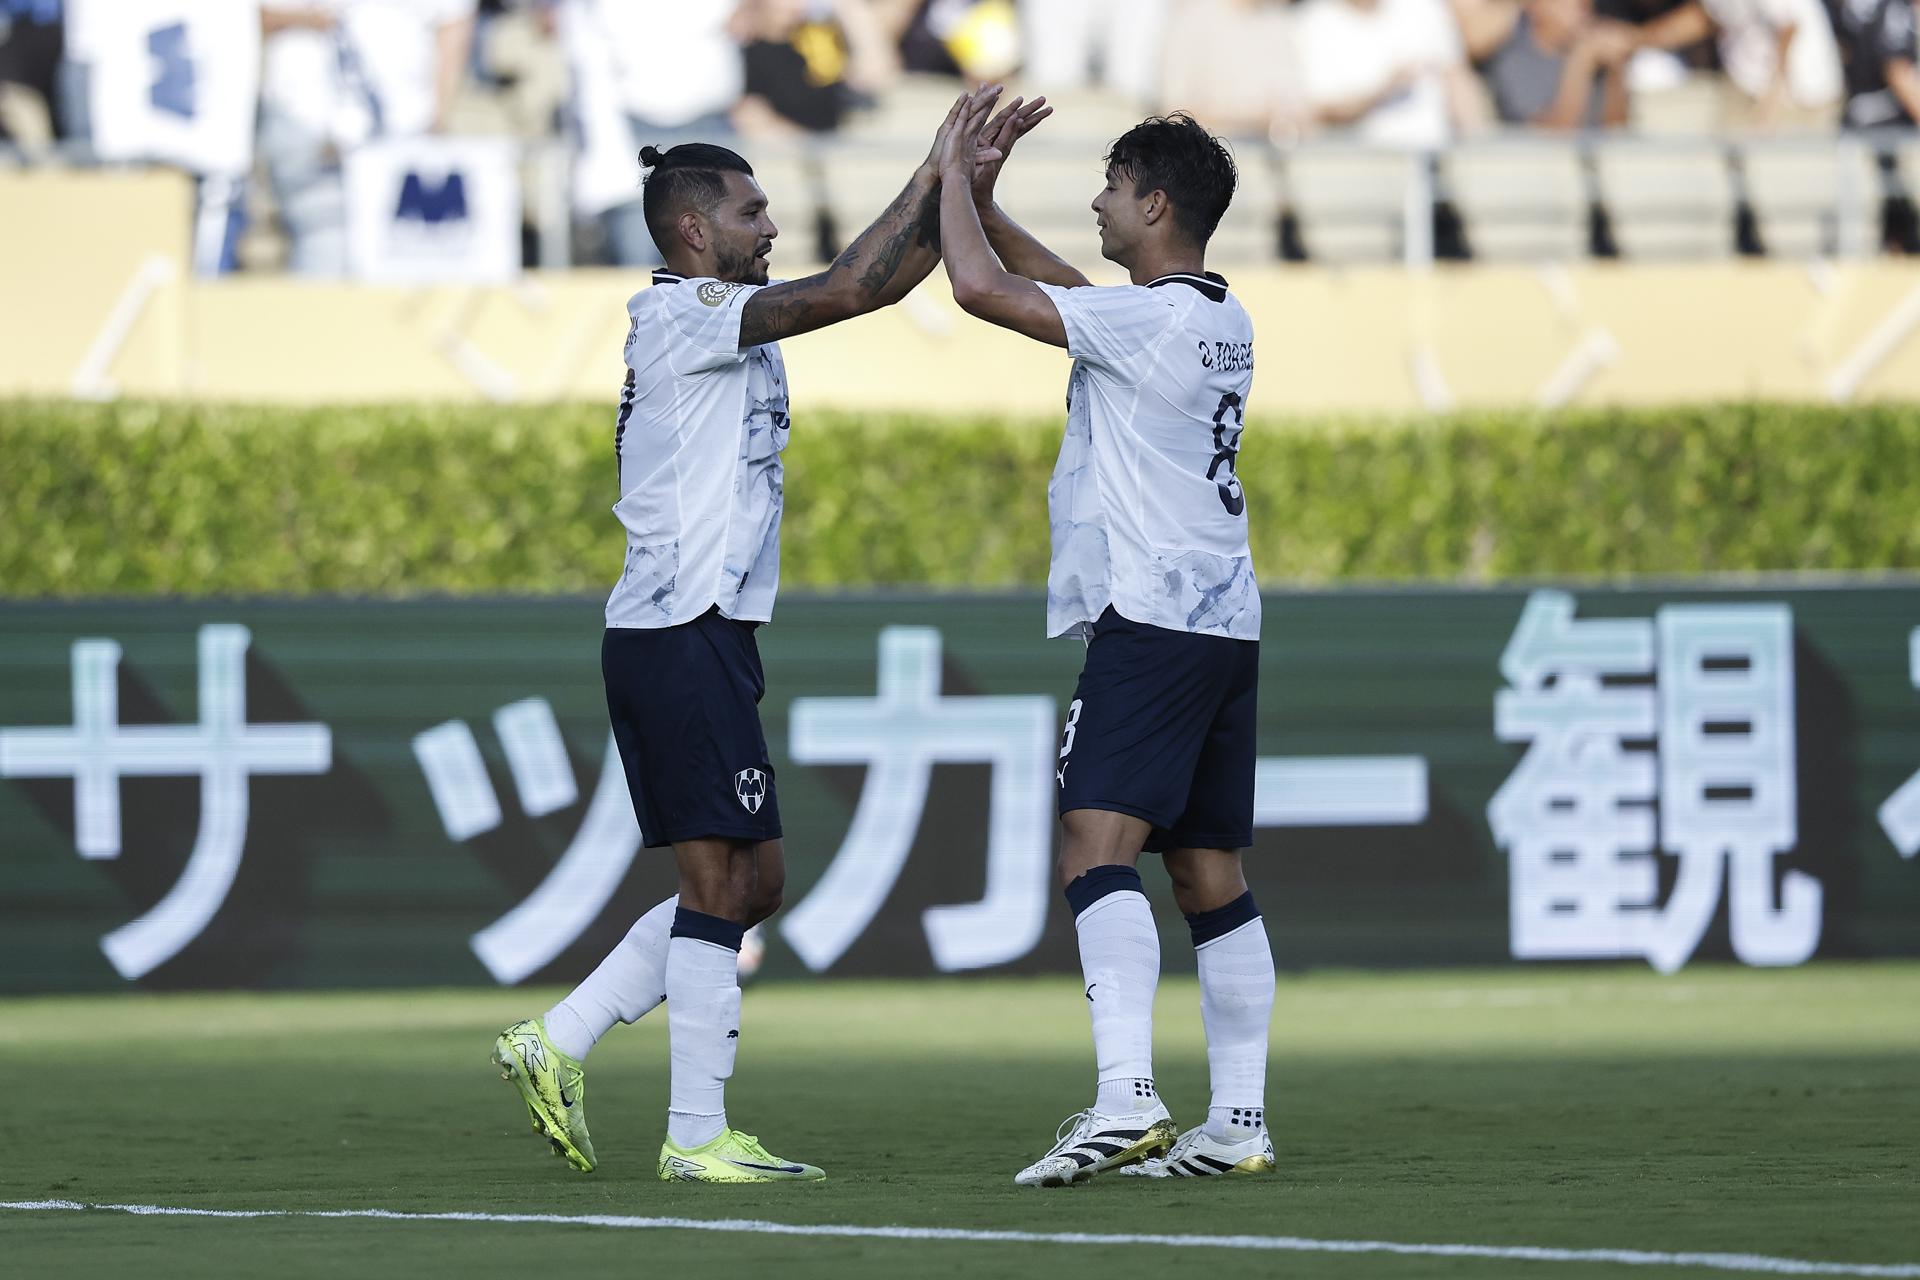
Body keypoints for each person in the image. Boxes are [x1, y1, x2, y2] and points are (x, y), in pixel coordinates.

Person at [490, 88, 993, 1185]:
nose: (771, 227)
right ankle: (695, 1132)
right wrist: (929, 171)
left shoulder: (728, 317)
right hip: (678, 630)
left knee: (753, 882)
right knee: (723, 884)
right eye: (753, 211)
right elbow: (855, 286)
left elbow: (877, 286)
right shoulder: (682, 313)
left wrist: (961, 194)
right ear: (692, 231)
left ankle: (558, 1038)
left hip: (703, 633)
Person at [936, 99, 1276, 1186]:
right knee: (1208, 867)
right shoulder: (1212, 314)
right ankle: (1239, 1120)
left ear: (1155, 202)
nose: (1096, 201)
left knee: (1094, 845)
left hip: (1157, 614)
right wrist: (988, 201)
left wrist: (951, 175)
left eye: (1112, 185)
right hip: (1225, 615)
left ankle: (1127, 1096)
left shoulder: (1154, 322)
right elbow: (1076, 298)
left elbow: (982, 291)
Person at [1483, 0, 1638, 128]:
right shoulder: (1513, 60)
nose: (1583, 8)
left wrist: (1616, 68)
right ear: (1536, 6)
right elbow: (1551, 137)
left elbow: (1616, 128)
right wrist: (1580, 62)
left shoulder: (1593, 53)